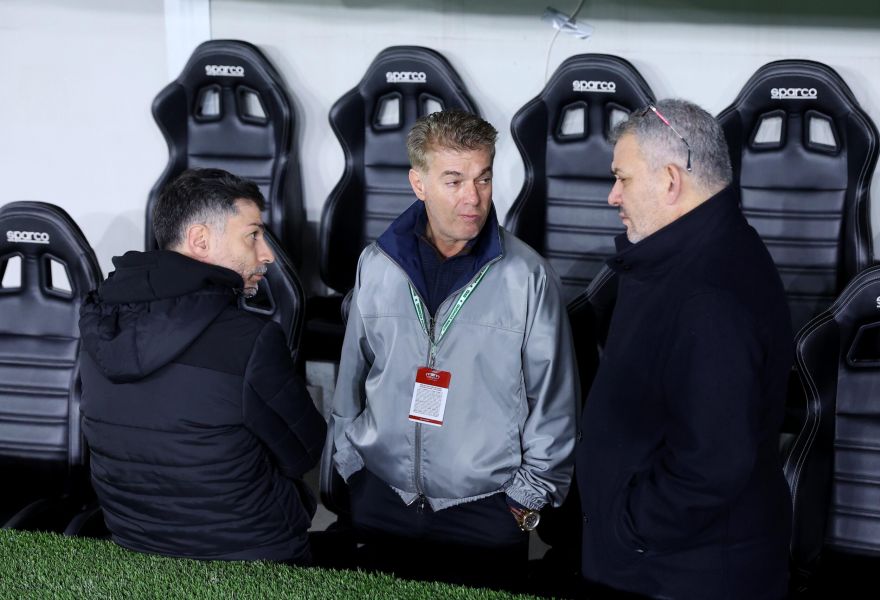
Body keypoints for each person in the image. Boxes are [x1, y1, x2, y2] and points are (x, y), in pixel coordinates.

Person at [329, 109, 578, 588]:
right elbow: (352, 375)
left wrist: (526, 497)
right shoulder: (377, 265)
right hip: (382, 496)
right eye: (454, 180)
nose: (473, 197)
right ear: (418, 183)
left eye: (483, 178)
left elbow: (556, 401)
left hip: (486, 509)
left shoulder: (528, 277)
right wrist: (350, 462)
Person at [577, 100, 793, 599]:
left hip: (679, 576)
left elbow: (712, 464)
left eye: (623, 179)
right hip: (658, 565)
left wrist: (630, 528)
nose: (613, 196)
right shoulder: (685, 257)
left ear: (671, 180)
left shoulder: (710, 294)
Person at [79, 168, 325, 564]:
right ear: (200, 240)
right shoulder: (252, 339)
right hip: (253, 554)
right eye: (253, 236)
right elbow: (304, 452)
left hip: (133, 544)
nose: (267, 254)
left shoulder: (98, 325)